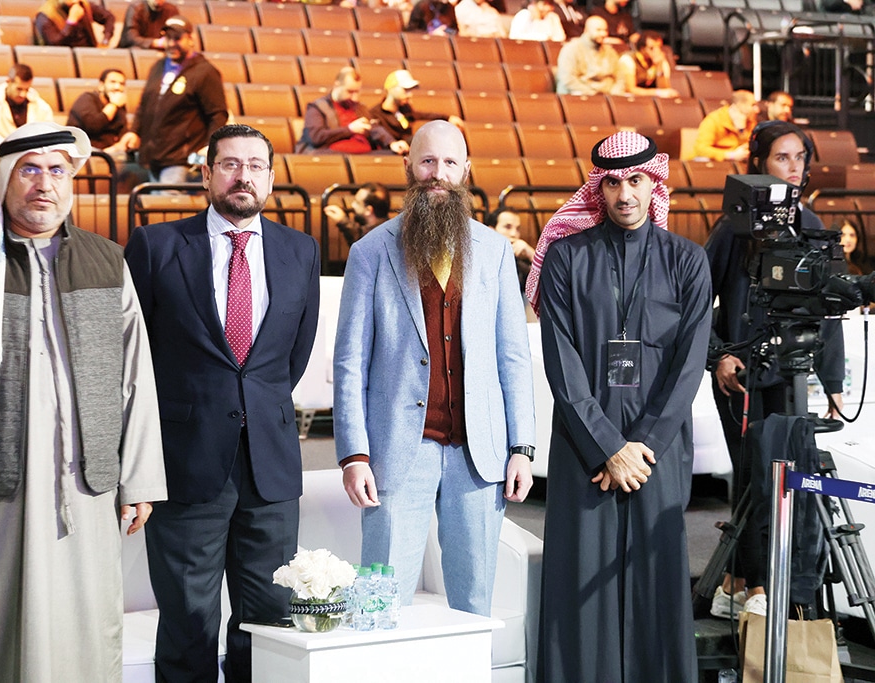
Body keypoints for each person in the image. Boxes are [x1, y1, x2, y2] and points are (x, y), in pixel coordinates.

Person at [0, 121, 168, 683]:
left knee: (83, 630)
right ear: (2, 179)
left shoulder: (107, 261)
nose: (43, 184)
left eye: (56, 170)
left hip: (85, 488)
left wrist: (141, 480)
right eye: (29, 169)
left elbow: (136, 377)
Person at [124, 123, 320, 683]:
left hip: (271, 467)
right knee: (188, 619)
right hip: (183, 463)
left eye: (256, 165)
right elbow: (131, 357)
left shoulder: (299, 250)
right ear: (206, 174)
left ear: (273, 178)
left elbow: (292, 355)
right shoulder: (156, 246)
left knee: (269, 621)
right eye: (230, 164)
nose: (244, 176)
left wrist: (257, 405)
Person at [333, 120, 536, 618]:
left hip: (479, 454)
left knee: (473, 605)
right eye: (427, 161)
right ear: (408, 166)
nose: (437, 174)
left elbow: (513, 357)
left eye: (449, 163)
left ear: (465, 171)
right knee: (379, 608)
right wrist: (353, 453)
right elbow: (349, 363)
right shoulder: (369, 253)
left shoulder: (493, 252)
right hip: (396, 450)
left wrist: (522, 447)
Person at [528, 131, 711, 682]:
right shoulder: (565, 258)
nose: (624, 193)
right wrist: (609, 449)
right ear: (598, 188)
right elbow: (562, 364)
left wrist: (642, 448)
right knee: (580, 580)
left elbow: (690, 365)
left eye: (636, 180)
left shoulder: (688, 260)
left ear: (653, 182)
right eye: (612, 182)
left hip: (658, 451)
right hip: (585, 447)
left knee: (657, 578)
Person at [705, 120, 845, 619]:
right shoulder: (732, 228)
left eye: (798, 158)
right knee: (752, 479)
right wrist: (718, 354)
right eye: (781, 157)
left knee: (785, 478)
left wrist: (832, 382)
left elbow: (827, 309)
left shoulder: (810, 225)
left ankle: (754, 582)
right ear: (760, 163)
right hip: (740, 374)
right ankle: (747, 583)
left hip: (793, 376)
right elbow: (698, 301)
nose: (791, 166)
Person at [131, 15, 227, 184]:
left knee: (166, 206)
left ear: (190, 39)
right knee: (153, 207)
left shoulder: (205, 72)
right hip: (153, 158)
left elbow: (217, 115)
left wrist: (210, 147)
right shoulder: (158, 67)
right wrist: (134, 131)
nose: (171, 44)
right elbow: (144, 105)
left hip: (181, 162)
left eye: (177, 38)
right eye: (167, 38)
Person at [296, 67, 402, 154]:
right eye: (350, 91)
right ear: (337, 85)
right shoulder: (317, 107)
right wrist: (349, 130)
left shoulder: (359, 107)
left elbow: (373, 128)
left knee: (396, 154)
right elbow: (316, 137)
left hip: (362, 154)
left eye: (357, 92)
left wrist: (391, 143)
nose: (354, 97)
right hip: (333, 153)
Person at [369, 69, 463, 150]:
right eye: (405, 90)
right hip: (391, 153)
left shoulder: (405, 109)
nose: (410, 94)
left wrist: (447, 118)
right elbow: (377, 131)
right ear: (391, 89)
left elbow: (422, 115)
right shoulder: (375, 113)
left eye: (410, 90)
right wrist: (392, 143)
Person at [0, 63, 55, 149]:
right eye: (19, 89)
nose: (23, 94)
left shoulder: (42, 107)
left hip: (32, 156)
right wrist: (11, 149)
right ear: (8, 82)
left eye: (26, 89)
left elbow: (48, 136)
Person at [66, 68, 138, 156]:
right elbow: (93, 125)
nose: (117, 87)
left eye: (121, 84)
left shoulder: (120, 106)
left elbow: (122, 131)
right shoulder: (87, 99)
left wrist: (123, 143)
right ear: (101, 85)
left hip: (112, 152)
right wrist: (113, 105)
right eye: (113, 82)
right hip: (85, 151)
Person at [555, 16, 622, 96]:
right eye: (598, 30)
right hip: (581, 95)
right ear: (586, 30)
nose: (603, 34)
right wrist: (592, 94)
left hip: (608, 95)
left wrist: (615, 93)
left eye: (605, 30)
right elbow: (567, 79)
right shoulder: (571, 49)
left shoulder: (610, 52)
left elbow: (620, 77)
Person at [693, 90, 758, 162]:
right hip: (717, 162)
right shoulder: (714, 120)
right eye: (753, 105)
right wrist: (731, 155)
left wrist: (741, 130)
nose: (757, 110)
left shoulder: (750, 121)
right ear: (740, 104)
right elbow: (700, 149)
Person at [324, 182, 390, 247]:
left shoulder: (379, 237)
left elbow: (363, 243)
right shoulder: (389, 229)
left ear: (368, 210)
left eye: (357, 202)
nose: (353, 205)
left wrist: (344, 222)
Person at [616, 30, 680, 98]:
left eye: (659, 47)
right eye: (652, 48)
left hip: (647, 99)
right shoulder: (628, 60)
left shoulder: (661, 62)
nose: (656, 51)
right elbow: (630, 89)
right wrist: (657, 92)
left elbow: (664, 90)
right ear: (642, 48)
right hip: (624, 98)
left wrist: (659, 67)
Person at [486, 208, 534, 292]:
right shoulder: (479, 259)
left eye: (518, 229)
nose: (514, 234)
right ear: (491, 230)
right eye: (507, 227)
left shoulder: (518, 263)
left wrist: (531, 253)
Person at [35, 0, 114, 47]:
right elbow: (54, 43)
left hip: (89, 51)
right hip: (63, 58)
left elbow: (109, 17)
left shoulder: (82, 5)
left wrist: (105, 40)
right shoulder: (46, 15)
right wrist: (71, 21)